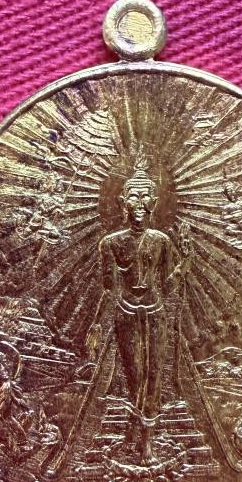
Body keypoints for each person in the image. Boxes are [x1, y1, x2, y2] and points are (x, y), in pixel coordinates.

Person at [92, 149, 190, 464]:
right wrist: (96, 325)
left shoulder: (162, 241)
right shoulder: (110, 243)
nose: (139, 203)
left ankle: (146, 441)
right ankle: (133, 430)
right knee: (134, 374)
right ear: (122, 202)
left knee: (154, 374)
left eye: (145, 196)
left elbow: (169, 285)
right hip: (126, 314)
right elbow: (107, 288)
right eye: (133, 196)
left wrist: (185, 263)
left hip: (155, 313)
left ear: (155, 203)